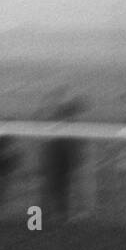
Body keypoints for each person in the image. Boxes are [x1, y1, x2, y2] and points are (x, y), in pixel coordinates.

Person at [40, 97, 84, 226]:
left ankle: (39, 223)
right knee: (58, 194)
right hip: (59, 169)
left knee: (51, 194)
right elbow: (72, 154)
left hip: (56, 169)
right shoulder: (65, 135)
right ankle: (60, 219)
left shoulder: (58, 135)